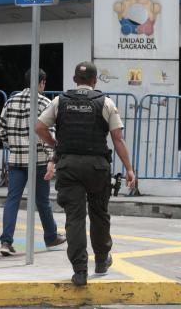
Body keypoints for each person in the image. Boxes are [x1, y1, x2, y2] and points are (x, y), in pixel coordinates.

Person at [36, 61, 135, 286]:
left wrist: (55, 144)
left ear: (74, 80)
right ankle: (101, 261)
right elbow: (117, 139)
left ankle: (80, 271)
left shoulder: (60, 101)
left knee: (75, 219)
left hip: (68, 167)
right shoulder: (105, 102)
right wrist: (129, 169)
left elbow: (39, 127)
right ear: (94, 81)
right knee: (99, 215)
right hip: (97, 168)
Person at [0, 69, 66, 256]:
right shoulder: (45, 102)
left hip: (16, 160)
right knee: (42, 201)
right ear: (42, 82)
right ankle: (51, 237)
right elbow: (49, 134)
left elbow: (0, 130)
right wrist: (53, 157)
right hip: (39, 161)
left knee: (12, 199)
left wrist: (12, 144)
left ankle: (6, 241)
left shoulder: (11, 101)